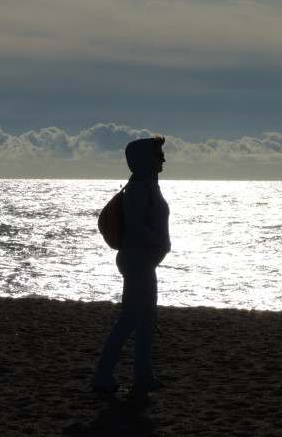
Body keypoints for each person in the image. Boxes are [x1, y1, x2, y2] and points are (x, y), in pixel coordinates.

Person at [92, 136, 171, 392]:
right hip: (137, 260)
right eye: (158, 154)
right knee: (129, 319)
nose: (163, 159)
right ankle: (102, 375)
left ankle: (143, 375)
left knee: (148, 320)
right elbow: (135, 225)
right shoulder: (138, 187)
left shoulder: (149, 185)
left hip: (145, 261)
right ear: (146, 158)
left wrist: (160, 245)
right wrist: (159, 240)